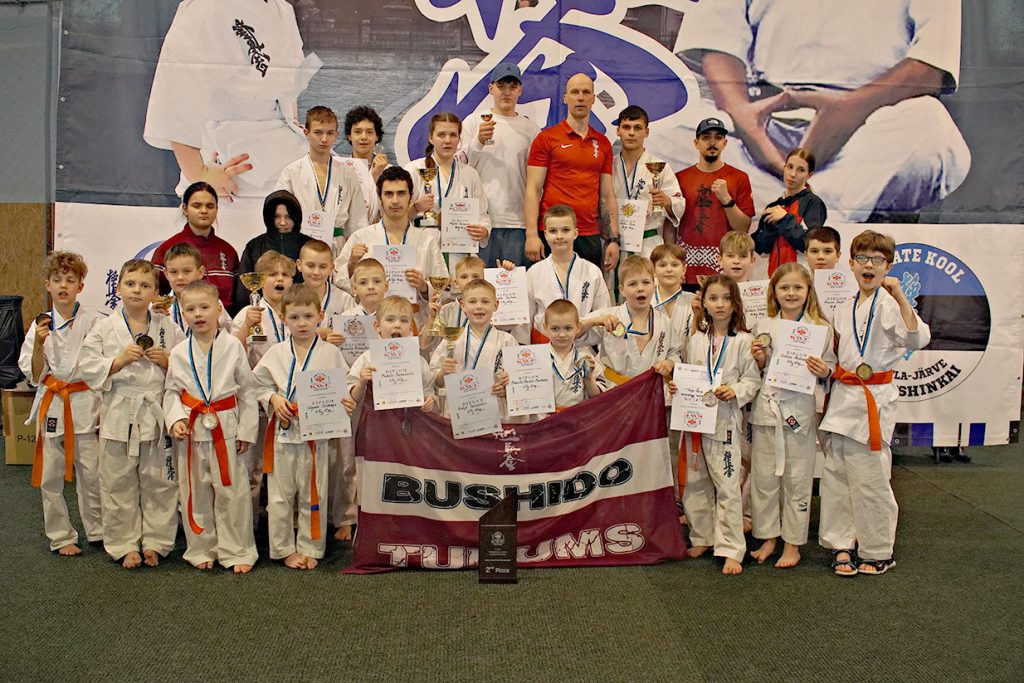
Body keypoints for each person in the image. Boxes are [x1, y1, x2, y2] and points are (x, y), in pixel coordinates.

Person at [659, 0, 970, 223]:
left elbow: (931, 64)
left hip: (870, 126)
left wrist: (846, 114)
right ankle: (788, 217)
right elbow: (716, 41)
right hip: (761, 121)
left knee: (931, 129)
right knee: (666, 136)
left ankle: (811, 219)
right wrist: (748, 123)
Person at [143, 0, 320, 236]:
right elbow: (178, 91)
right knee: (238, 247)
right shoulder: (208, 7)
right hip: (231, 159)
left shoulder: (280, 8)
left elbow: (287, 87)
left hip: (283, 148)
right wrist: (199, 174)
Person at [819, 230, 930, 577]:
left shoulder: (889, 304)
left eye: (878, 260)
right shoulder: (845, 307)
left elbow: (917, 338)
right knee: (836, 475)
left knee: (870, 477)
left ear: (888, 266)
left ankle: (878, 549)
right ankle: (840, 544)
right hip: (844, 395)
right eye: (863, 259)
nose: (870, 265)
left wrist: (900, 296)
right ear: (851, 264)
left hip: (873, 397)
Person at [79, 259, 184, 568]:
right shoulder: (103, 328)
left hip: (156, 411)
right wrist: (118, 361)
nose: (137, 290)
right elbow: (87, 366)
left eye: (145, 285)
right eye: (130, 284)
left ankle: (157, 541)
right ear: (118, 288)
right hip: (118, 411)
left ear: (155, 292)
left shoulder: (168, 327)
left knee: (160, 482)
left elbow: (187, 366)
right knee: (117, 481)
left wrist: (168, 361)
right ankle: (123, 543)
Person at [163, 281, 259, 573]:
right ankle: (201, 548)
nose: (198, 314)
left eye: (204, 307)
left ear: (218, 309)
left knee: (232, 491)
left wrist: (246, 430)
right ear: (182, 313)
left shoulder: (233, 346)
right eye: (190, 309)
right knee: (195, 490)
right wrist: (176, 419)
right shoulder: (179, 352)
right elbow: (171, 392)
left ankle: (237, 550)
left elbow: (248, 391)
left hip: (226, 426)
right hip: (192, 429)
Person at [253, 283, 348, 570]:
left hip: (316, 436)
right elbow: (257, 384)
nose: (302, 323)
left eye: (308, 316)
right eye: (294, 317)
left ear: (321, 316)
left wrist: (344, 403)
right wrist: (273, 398)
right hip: (283, 434)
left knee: (313, 492)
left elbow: (342, 388)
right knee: (279, 497)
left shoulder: (331, 353)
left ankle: (311, 547)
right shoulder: (276, 352)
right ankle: (283, 548)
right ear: (283, 319)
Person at [748, 263, 836, 569]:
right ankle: (768, 538)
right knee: (764, 477)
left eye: (798, 287)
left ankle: (793, 544)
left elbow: (830, 368)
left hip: (799, 410)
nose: (791, 293)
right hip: (767, 408)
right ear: (774, 292)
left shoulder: (821, 328)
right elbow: (755, 371)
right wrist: (759, 359)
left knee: (797, 478)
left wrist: (824, 371)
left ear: (808, 291)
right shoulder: (763, 325)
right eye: (784, 287)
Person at [18, 251, 105, 556]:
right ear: (48, 285)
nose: (63, 285)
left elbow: (100, 364)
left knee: (91, 473)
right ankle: (60, 536)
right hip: (53, 401)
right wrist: (39, 345)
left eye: (70, 279)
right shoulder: (40, 324)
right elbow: (34, 374)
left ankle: (98, 530)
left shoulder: (95, 321)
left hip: (84, 401)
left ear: (81, 285)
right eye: (57, 280)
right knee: (50, 476)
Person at [682, 275, 761, 575]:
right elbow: (689, 374)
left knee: (727, 484)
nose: (719, 304)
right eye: (713, 298)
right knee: (696, 481)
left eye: (726, 299)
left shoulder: (743, 341)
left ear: (735, 304)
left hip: (725, 419)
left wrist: (735, 390)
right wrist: (679, 387)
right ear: (703, 303)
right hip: (695, 418)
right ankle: (702, 536)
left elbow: (752, 381)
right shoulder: (695, 340)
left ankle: (731, 548)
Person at [525, 73, 621, 271]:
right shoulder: (546, 139)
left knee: (587, 290)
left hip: (589, 234)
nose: (580, 97)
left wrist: (613, 239)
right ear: (565, 98)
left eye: (586, 92)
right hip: (553, 233)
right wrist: (532, 235)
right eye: (575, 92)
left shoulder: (602, 143)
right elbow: (533, 189)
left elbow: (607, 195)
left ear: (593, 98)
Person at [335, 166, 448, 332]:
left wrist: (424, 287)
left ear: (411, 197)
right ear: (380, 198)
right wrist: (351, 265)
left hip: (413, 323)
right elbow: (339, 282)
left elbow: (443, 289)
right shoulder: (361, 237)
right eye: (388, 194)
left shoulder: (426, 241)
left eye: (401, 193)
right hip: (371, 325)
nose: (395, 200)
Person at [331, 257, 389, 542]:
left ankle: (383, 512)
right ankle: (345, 517)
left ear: (387, 285)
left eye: (377, 281)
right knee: (348, 457)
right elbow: (334, 360)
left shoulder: (395, 314)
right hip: (353, 394)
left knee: (384, 456)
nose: (371, 287)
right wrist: (332, 342)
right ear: (353, 288)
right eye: (364, 283)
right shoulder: (345, 319)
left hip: (388, 398)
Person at [459, 63, 541, 267]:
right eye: (501, 86)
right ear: (491, 88)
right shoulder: (473, 122)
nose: (506, 92)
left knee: (514, 284)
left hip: (518, 222)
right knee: (479, 283)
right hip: (479, 222)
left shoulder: (531, 129)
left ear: (520, 90)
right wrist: (478, 141)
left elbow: (537, 181)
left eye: (512, 87)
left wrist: (532, 227)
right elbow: (460, 169)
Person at [670, 118, 755, 289]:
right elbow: (671, 224)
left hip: (725, 270)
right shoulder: (680, 178)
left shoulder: (739, 178)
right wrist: (673, 261)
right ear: (696, 143)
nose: (712, 142)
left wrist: (727, 200)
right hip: (687, 270)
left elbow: (743, 229)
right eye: (706, 137)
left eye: (718, 137)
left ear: (725, 143)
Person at [405, 112, 491, 274]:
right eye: (441, 135)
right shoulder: (414, 170)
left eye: (453, 135)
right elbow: (397, 215)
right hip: (423, 245)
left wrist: (483, 229)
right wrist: (416, 207)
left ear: (459, 139)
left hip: (460, 248)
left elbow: (482, 214)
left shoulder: (470, 174)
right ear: (431, 138)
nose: (447, 140)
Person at [275, 106, 369, 250]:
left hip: (338, 247)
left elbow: (358, 221)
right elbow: (279, 214)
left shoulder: (348, 173)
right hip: (302, 245)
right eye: (318, 133)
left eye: (330, 133)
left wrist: (355, 253)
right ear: (306, 133)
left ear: (336, 135)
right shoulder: (292, 172)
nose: (324, 139)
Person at [582, 256, 682, 388]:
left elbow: (674, 353)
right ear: (622, 289)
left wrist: (669, 363)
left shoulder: (664, 322)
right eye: (632, 284)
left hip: (649, 391)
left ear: (654, 285)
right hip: (613, 389)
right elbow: (572, 332)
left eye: (646, 282)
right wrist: (595, 321)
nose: (640, 288)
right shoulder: (609, 317)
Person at [526, 205, 611, 346]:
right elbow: (526, 320)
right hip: (544, 348)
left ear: (575, 233)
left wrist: (584, 328)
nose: (559, 236)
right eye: (553, 231)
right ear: (545, 234)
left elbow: (603, 314)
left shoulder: (592, 271)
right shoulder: (534, 273)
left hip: (582, 348)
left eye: (565, 230)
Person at [429, 279, 517, 413]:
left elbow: (517, 380)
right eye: (472, 301)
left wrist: (506, 388)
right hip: (458, 409)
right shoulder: (451, 339)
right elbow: (435, 381)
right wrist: (443, 372)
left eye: (485, 301)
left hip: (495, 409)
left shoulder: (506, 340)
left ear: (496, 305)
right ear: (463, 305)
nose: (479, 306)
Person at [152, 182, 239, 313]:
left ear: (216, 209)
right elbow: (154, 295)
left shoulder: (228, 252)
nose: (204, 211)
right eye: (197, 206)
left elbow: (237, 301)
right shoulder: (167, 249)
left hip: (224, 323)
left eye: (210, 206)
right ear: (185, 209)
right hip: (178, 323)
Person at [612, 105, 685, 257]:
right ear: (618, 131)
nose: (631, 133)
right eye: (626, 127)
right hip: (615, 243)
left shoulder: (660, 167)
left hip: (648, 244)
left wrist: (666, 201)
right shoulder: (608, 167)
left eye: (638, 128)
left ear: (647, 132)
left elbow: (679, 204)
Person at [347, 295, 438, 413]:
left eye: (404, 320)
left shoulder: (417, 360)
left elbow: (428, 391)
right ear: (377, 326)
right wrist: (361, 383)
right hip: (376, 421)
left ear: (410, 328)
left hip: (411, 420)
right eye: (390, 319)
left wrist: (429, 401)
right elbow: (352, 399)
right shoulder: (366, 359)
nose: (397, 325)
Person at [752, 148, 827, 277]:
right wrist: (770, 227)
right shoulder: (773, 207)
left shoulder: (813, 203)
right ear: (784, 168)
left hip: (801, 278)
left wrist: (784, 219)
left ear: (809, 175)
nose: (792, 174)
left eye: (801, 170)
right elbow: (761, 249)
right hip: (773, 277)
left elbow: (810, 244)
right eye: (790, 167)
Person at [232, 190, 309, 312]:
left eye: (288, 217)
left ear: (296, 217)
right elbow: (243, 293)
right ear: (269, 218)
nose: (282, 222)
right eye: (277, 216)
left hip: (302, 313)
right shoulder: (254, 247)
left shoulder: (309, 246)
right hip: (263, 316)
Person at [151, 243, 231, 332]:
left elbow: (226, 334)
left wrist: (214, 323)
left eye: (187, 271)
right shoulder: (159, 308)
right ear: (166, 274)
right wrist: (155, 321)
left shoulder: (213, 303)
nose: (180, 277)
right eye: (173, 272)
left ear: (200, 272)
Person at [542, 300, 604, 412]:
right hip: (545, 417)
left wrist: (588, 379)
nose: (562, 334)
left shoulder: (586, 358)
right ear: (545, 328)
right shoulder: (537, 358)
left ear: (578, 327)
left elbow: (597, 397)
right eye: (555, 328)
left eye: (568, 328)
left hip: (578, 417)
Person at [296, 239, 356, 339]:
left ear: (331, 268)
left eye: (323, 267)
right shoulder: (290, 299)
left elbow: (356, 337)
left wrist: (331, 334)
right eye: (310, 266)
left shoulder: (344, 300)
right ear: (299, 265)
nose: (316, 272)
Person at [340, 105, 389, 223]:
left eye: (369, 132)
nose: (363, 137)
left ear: (377, 136)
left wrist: (376, 177)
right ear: (349, 136)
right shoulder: (339, 170)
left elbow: (392, 212)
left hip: (378, 232)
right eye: (357, 132)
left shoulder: (389, 171)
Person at [651, 244, 694, 342]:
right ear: (654, 270)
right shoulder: (645, 301)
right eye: (662, 265)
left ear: (684, 270)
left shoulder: (693, 301)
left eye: (674, 265)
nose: (669, 270)